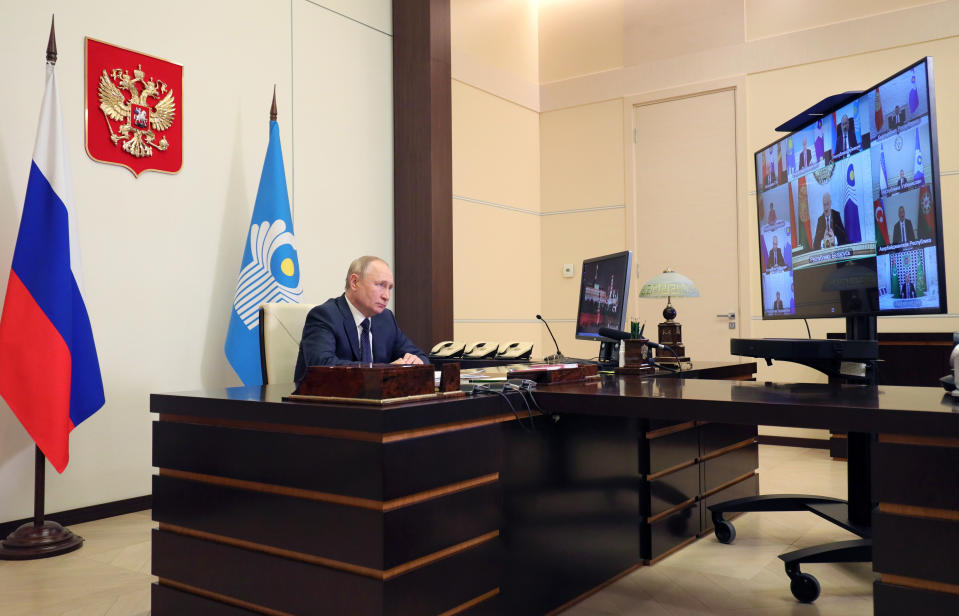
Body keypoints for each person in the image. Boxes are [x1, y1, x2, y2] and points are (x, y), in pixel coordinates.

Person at [293, 256, 428, 381]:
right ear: (354, 282)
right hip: (325, 401)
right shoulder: (324, 316)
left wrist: (416, 361)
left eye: (390, 288)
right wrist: (384, 369)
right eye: (380, 285)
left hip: (374, 401)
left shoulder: (385, 318)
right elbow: (322, 366)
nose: (386, 296)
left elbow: (421, 356)